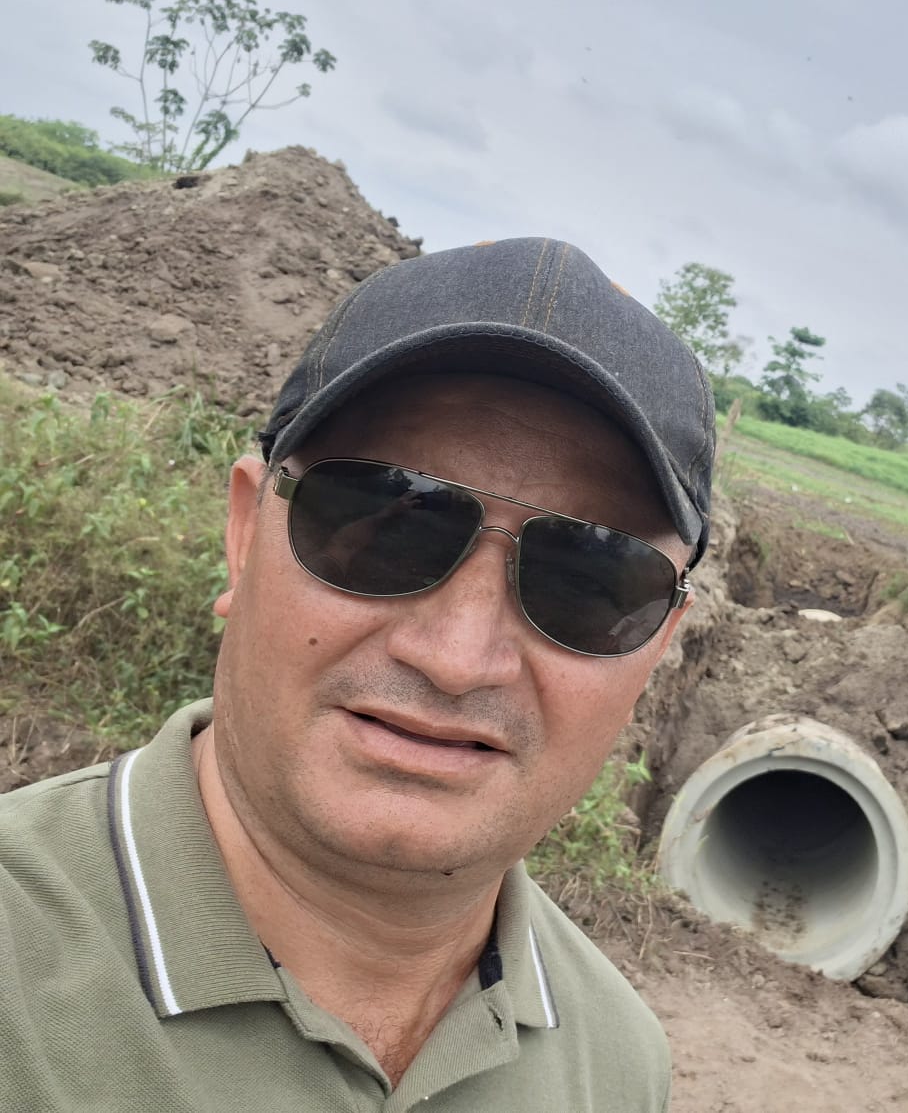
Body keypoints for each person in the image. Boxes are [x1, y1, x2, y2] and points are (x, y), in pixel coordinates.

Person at [0, 238, 714, 1110]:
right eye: (387, 523)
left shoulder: (616, 1066)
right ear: (244, 536)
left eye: (590, 580)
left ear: (658, 644)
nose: (456, 659)